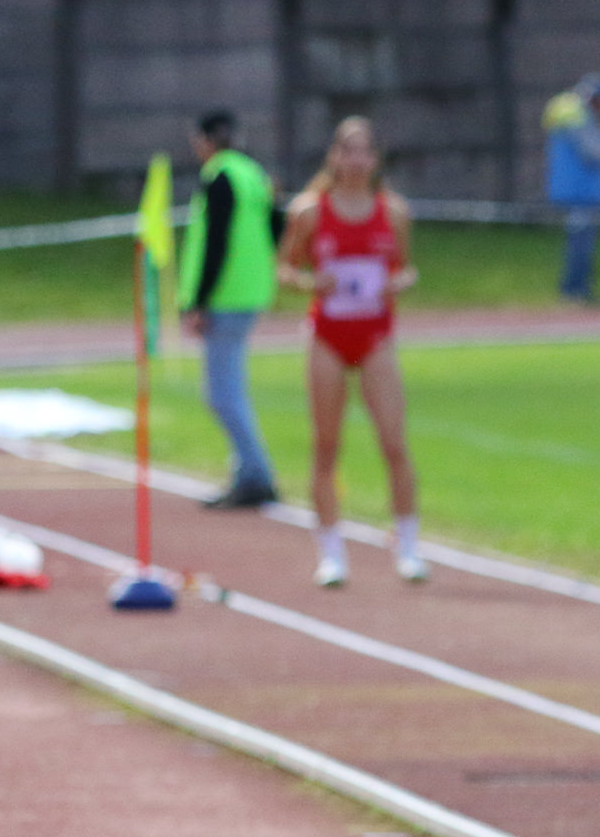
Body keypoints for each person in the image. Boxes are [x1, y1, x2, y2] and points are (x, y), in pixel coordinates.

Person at [276, 116, 425, 590]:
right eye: (349, 150)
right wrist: (310, 283)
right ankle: (331, 554)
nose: (357, 160)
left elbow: (404, 267)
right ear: (334, 157)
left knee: (394, 442)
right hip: (328, 336)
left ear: (375, 159)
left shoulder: (393, 212)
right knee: (326, 446)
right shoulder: (310, 212)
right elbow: (285, 268)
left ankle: (408, 547)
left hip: (376, 335)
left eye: (365, 151)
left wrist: (399, 283)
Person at [178, 110, 282, 510]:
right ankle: (248, 472)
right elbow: (276, 225)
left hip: (226, 295)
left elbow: (215, 242)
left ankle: (255, 474)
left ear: (204, 141)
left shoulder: (221, 176)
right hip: (250, 291)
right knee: (229, 391)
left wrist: (199, 300)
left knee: (223, 395)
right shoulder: (252, 173)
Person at [545, 73, 600, 304]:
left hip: (579, 191)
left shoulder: (573, 115)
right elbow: (593, 151)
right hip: (579, 191)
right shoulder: (576, 117)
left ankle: (578, 288)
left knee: (581, 243)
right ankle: (575, 290)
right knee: (580, 245)